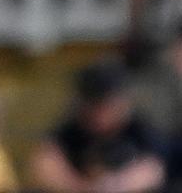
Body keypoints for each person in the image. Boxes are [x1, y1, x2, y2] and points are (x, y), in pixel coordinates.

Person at [29, 58, 167, 193]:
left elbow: (153, 170)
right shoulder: (71, 131)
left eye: (107, 106)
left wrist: (115, 185)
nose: (100, 114)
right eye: (94, 105)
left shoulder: (139, 131)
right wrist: (80, 187)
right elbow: (45, 161)